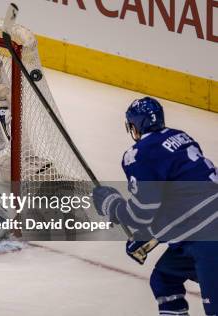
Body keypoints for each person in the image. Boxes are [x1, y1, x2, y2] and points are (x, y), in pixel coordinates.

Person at [92, 97, 218, 315]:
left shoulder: (138, 155)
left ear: (134, 126)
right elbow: (181, 203)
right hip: (197, 235)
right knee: (164, 279)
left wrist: (112, 206)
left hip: (207, 240)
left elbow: (141, 213)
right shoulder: (181, 137)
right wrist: (148, 238)